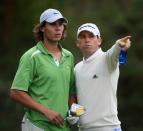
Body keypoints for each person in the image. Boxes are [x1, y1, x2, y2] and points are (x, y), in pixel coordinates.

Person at [10, 8, 76, 131]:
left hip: (63, 127)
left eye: (61, 24)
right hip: (37, 125)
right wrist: (46, 111)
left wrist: (73, 112)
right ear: (42, 28)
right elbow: (16, 92)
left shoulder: (69, 56)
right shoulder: (31, 56)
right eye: (52, 24)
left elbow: (71, 91)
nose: (58, 28)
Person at [74, 23, 131, 131]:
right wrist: (74, 114)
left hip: (108, 128)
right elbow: (80, 99)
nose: (87, 40)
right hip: (83, 129)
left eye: (91, 36)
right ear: (78, 43)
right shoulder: (77, 68)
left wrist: (119, 45)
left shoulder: (107, 59)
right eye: (83, 36)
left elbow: (114, 52)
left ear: (99, 40)